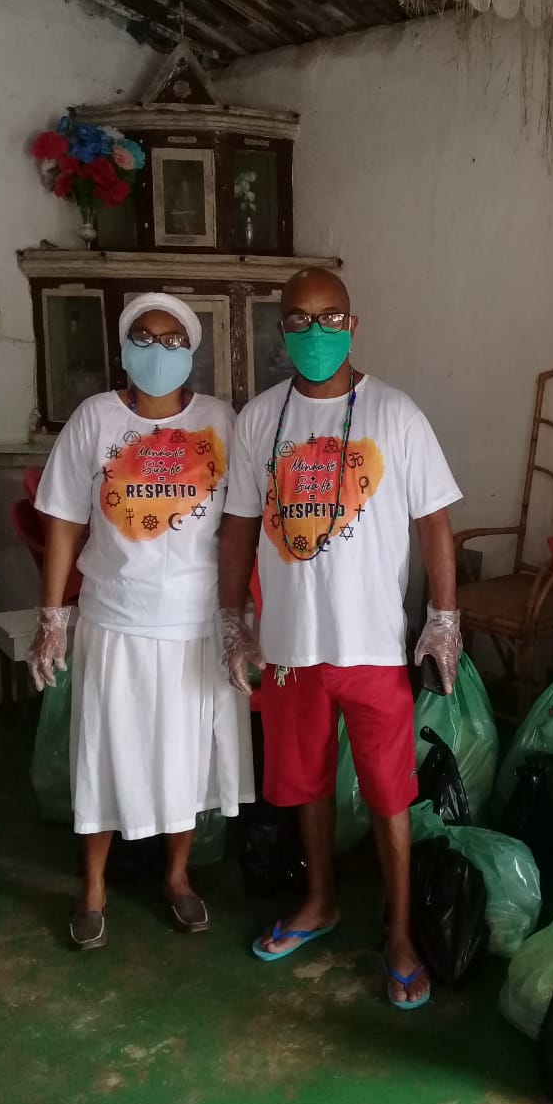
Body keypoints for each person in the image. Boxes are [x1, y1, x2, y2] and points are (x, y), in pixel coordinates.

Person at [219, 267, 462, 1010]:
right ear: (281, 330)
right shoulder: (260, 419)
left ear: (352, 326)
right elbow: (239, 528)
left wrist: (444, 619)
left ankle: (399, 935)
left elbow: (434, 524)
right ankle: (320, 900)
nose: (315, 333)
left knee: (390, 795)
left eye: (330, 319)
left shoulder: (395, 413)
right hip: (291, 649)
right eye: (299, 320)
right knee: (305, 782)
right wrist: (232, 619)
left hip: (372, 648)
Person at [28, 293, 253, 950]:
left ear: (192, 352)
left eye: (173, 340)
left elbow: (239, 526)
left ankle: (177, 877)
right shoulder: (95, 419)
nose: (159, 352)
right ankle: (93, 887)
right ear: (124, 350)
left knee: (187, 758)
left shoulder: (219, 421)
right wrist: (52, 616)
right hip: (116, 619)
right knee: (105, 752)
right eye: (145, 339)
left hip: (194, 624)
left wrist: (237, 615)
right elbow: (63, 519)